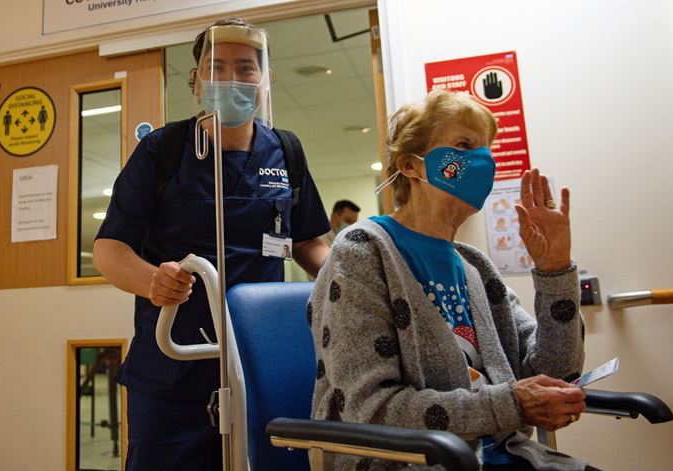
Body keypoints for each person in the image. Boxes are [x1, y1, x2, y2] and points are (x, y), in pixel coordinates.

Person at [93, 17, 331, 471]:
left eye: (246, 68)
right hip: (174, 365)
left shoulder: (285, 151)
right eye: (216, 67)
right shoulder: (163, 151)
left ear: (265, 80)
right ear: (197, 79)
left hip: (261, 360)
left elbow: (309, 244)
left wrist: (350, 277)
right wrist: (151, 281)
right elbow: (110, 250)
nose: (232, 79)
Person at [309, 90, 592, 470]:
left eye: (485, 149)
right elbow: (371, 410)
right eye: (464, 145)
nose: (482, 160)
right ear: (411, 166)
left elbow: (556, 372)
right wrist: (510, 404)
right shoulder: (363, 250)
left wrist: (555, 270)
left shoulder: (474, 266)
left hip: (501, 454)